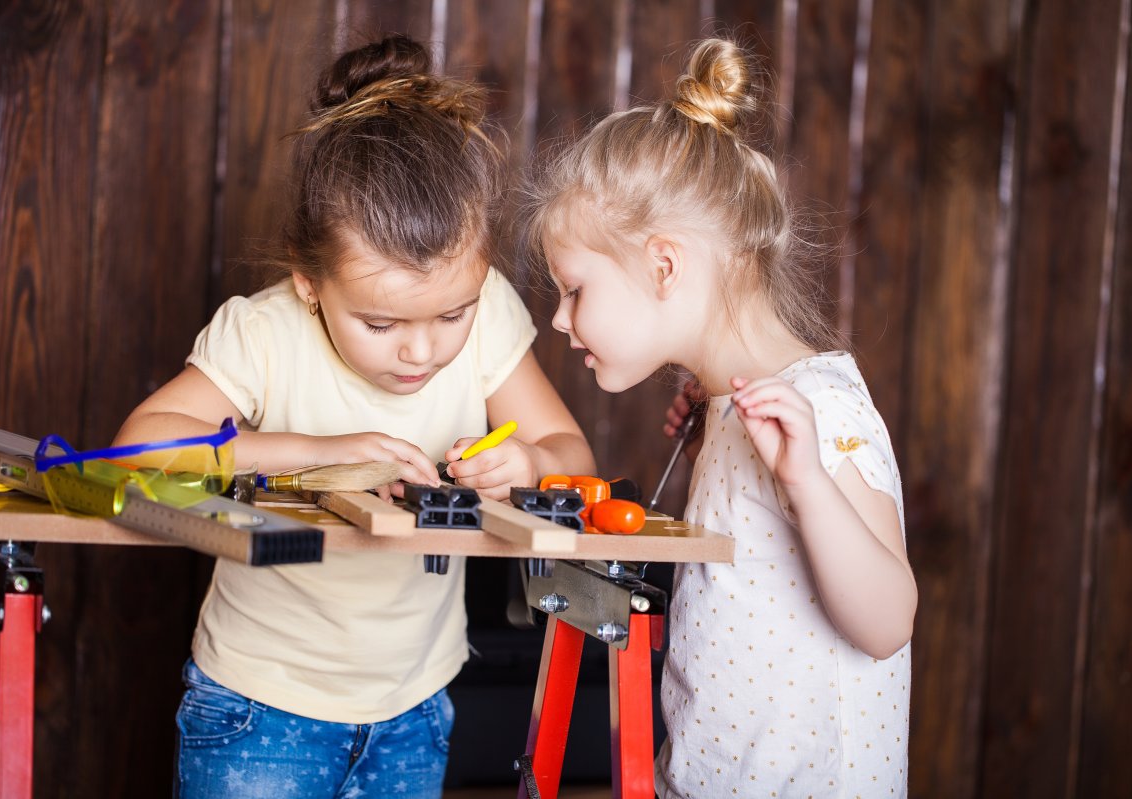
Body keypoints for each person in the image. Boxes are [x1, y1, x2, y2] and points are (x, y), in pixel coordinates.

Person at [114, 34, 595, 799]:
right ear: (310, 284)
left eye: (452, 313)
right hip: (259, 704)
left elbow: (572, 452)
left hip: (415, 705)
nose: (421, 351)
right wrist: (314, 449)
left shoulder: (493, 316)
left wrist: (530, 464)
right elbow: (135, 450)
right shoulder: (265, 331)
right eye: (380, 324)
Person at [524, 36, 916, 797]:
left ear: (663, 266)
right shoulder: (732, 410)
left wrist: (807, 481)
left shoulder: (821, 410)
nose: (561, 323)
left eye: (574, 291)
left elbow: (887, 620)